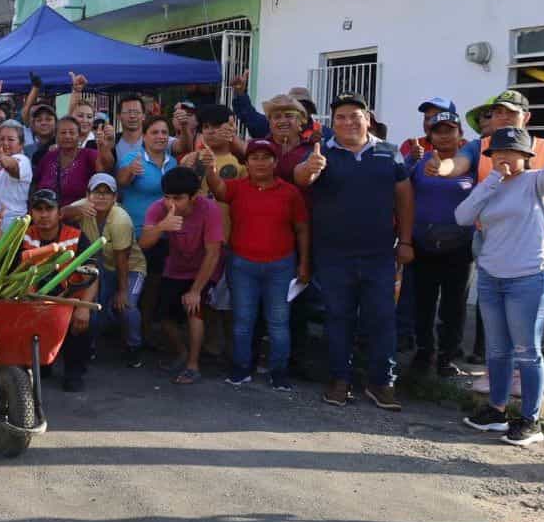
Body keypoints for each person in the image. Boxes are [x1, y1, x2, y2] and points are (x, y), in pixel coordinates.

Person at [293, 93, 413, 411]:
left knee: (382, 319)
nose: (348, 122)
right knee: (337, 318)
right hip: (333, 256)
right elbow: (300, 178)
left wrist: (406, 240)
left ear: (367, 118)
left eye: (354, 116)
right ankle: (339, 380)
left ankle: (381, 382)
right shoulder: (322, 152)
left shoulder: (389, 152)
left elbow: (404, 197)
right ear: (334, 123)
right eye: (341, 117)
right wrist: (309, 168)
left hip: (379, 255)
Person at [457, 127, 544, 447]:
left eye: (512, 152)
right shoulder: (488, 184)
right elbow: (463, 216)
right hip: (491, 277)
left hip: (527, 278)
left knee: (528, 352)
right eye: (497, 152)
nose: (503, 157)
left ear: (525, 156)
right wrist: (492, 181)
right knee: (497, 349)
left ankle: (531, 420)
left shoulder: (536, 181)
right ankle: (496, 410)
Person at [204, 140, 309, 390]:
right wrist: (209, 168)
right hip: (242, 265)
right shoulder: (237, 187)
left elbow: (302, 229)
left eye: (266, 157)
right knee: (243, 321)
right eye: (254, 157)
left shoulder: (290, 192)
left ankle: (279, 373)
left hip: (281, 266)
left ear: (275, 163)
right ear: (246, 162)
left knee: (279, 323)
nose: (260, 162)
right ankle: (241, 369)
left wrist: (304, 263)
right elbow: (218, 189)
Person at [402, 111, 476, 378]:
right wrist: (406, 240)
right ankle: (424, 352)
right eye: (438, 130)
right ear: (430, 135)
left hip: (461, 247)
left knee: (454, 306)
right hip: (423, 245)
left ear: (460, 135)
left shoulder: (471, 164)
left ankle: (447, 356)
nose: (444, 135)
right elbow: (403, 199)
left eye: (449, 130)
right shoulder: (418, 164)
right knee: (423, 304)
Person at [139, 168, 224, 385]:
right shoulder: (158, 208)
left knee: (194, 310)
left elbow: (213, 253)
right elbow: (143, 244)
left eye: (178, 198)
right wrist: (161, 227)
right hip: (175, 268)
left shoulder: (210, 209)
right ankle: (182, 352)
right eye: (167, 197)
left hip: (204, 269)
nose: (171, 203)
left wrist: (196, 290)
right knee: (164, 317)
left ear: (194, 197)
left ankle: (193, 366)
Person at [65, 173, 146, 367]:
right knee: (93, 306)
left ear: (115, 197)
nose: (101, 197)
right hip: (99, 266)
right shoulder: (83, 206)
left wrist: (123, 291)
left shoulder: (121, 219)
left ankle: (134, 346)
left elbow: (122, 259)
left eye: (107, 193)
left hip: (130, 267)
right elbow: (59, 214)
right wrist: (73, 210)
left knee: (128, 307)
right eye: (97, 192)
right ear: (88, 194)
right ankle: (88, 346)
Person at [22, 190, 96, 391]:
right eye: (38, 209)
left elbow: (93, 276)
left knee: (83, 321)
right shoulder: (23, 236)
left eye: (49, 209)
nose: (44, 215)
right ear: (31, 212)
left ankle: (74, 371)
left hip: (68, 302)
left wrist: (84, 308)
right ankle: (43, 363)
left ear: (59, 213)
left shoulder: (77, 237)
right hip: (34, 303)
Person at [0, 120, 32, 238]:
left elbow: (12, 165)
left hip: (8, 230)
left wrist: (2, 157)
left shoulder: (22, 160)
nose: (5, 143)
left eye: (11, 139)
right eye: (1, 139)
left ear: (21, 144)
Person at [33, 116, 99, 207]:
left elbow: (105, 168)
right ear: (56, 136)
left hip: (79, 216)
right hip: (47, 216)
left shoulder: (89, 155)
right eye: (63, 133)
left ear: (79, 136)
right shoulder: (48, 157)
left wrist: (104, 148)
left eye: (72, 133)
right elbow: (35, 184)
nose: (67, 136)